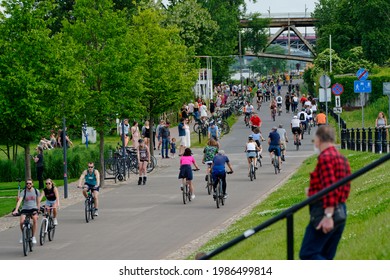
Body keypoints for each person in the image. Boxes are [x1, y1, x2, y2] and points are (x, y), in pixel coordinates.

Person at [299, 125, 351, 260]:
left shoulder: (325, 158)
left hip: (325, 211)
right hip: (341, 210)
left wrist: (328, 215)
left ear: (319, 139)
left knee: (308, 253)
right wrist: (313, 191)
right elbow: (344, 187)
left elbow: (330, 187)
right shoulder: (342, 158)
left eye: (314, 140)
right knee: (326, 256)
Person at [13, 179, 40, 244]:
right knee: (22, 222)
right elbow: (19, 201)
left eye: (30, 183)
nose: (28, 184)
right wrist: (16, 210)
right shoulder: (23, 192)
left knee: (35, 219)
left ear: (32, 184)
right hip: (25, 208)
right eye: (27, 183)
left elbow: (38, 202)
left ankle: (33, 237)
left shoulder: (36, 191)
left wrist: (38, 210)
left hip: (33, 208)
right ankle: (23, 235)